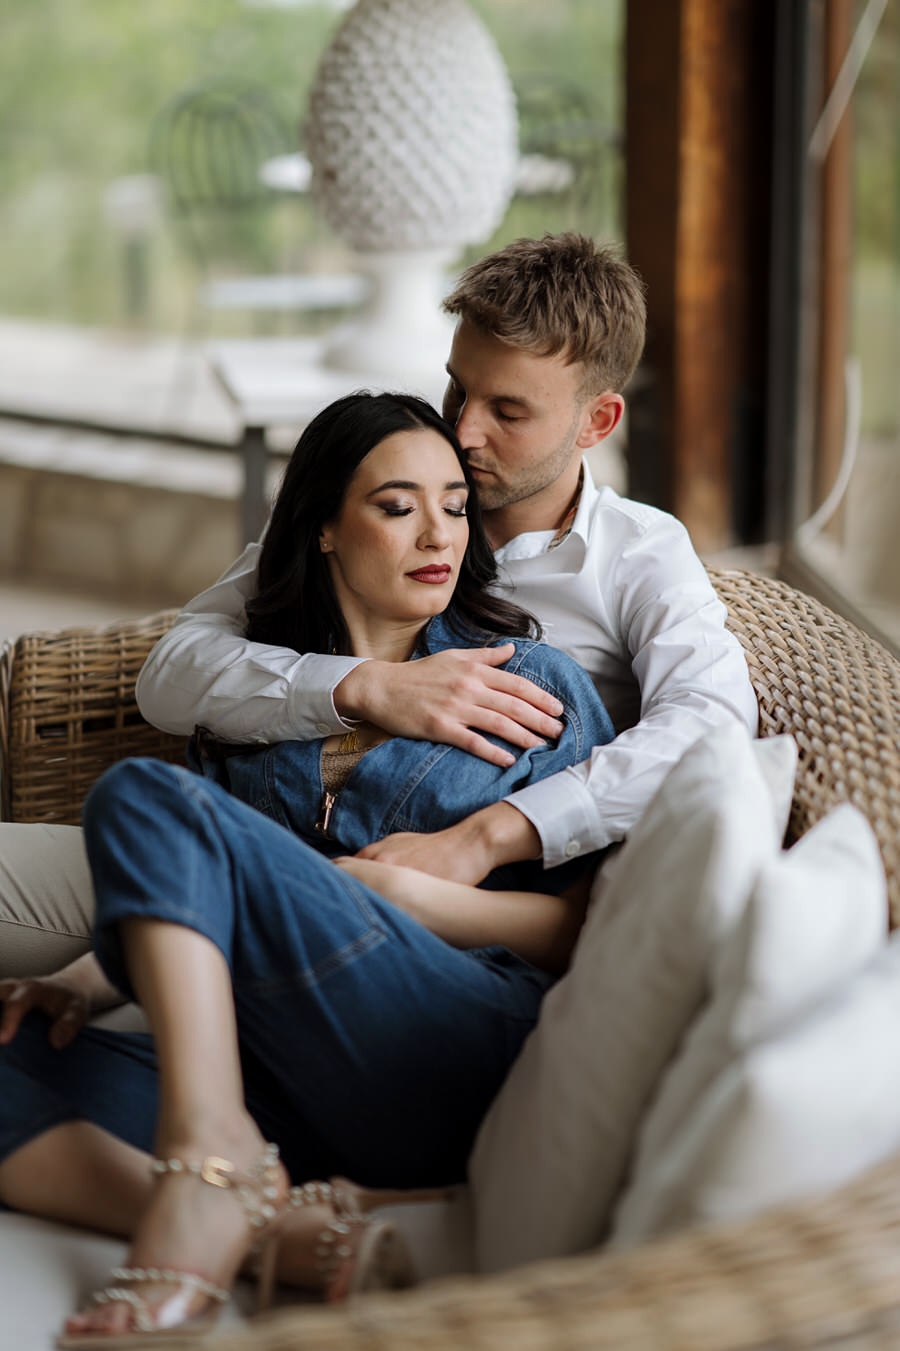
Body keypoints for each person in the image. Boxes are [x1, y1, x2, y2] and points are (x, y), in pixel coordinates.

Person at [0, 392, 616, 1344]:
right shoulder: (259, 697)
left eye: (454, 504)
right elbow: (215, 897)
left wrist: (416, 897)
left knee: (136, 794)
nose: (438, 533)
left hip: (451, 1039)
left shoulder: (532, 685)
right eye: (396, 505)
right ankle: (276, 1238)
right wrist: (81, 978)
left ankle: (210, 1162)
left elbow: (591, 930)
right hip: (282, 1075)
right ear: (324, 527)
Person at [0, 233, 757, 979]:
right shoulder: (374, 486)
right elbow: (173, 673)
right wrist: (364, 687)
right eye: (458, 386)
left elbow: (711, 727)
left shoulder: (636, 556)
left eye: (508, 411)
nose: (462, 431)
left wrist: (490, 836)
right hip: (248, 838)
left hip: (426, 926)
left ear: (597, 422)